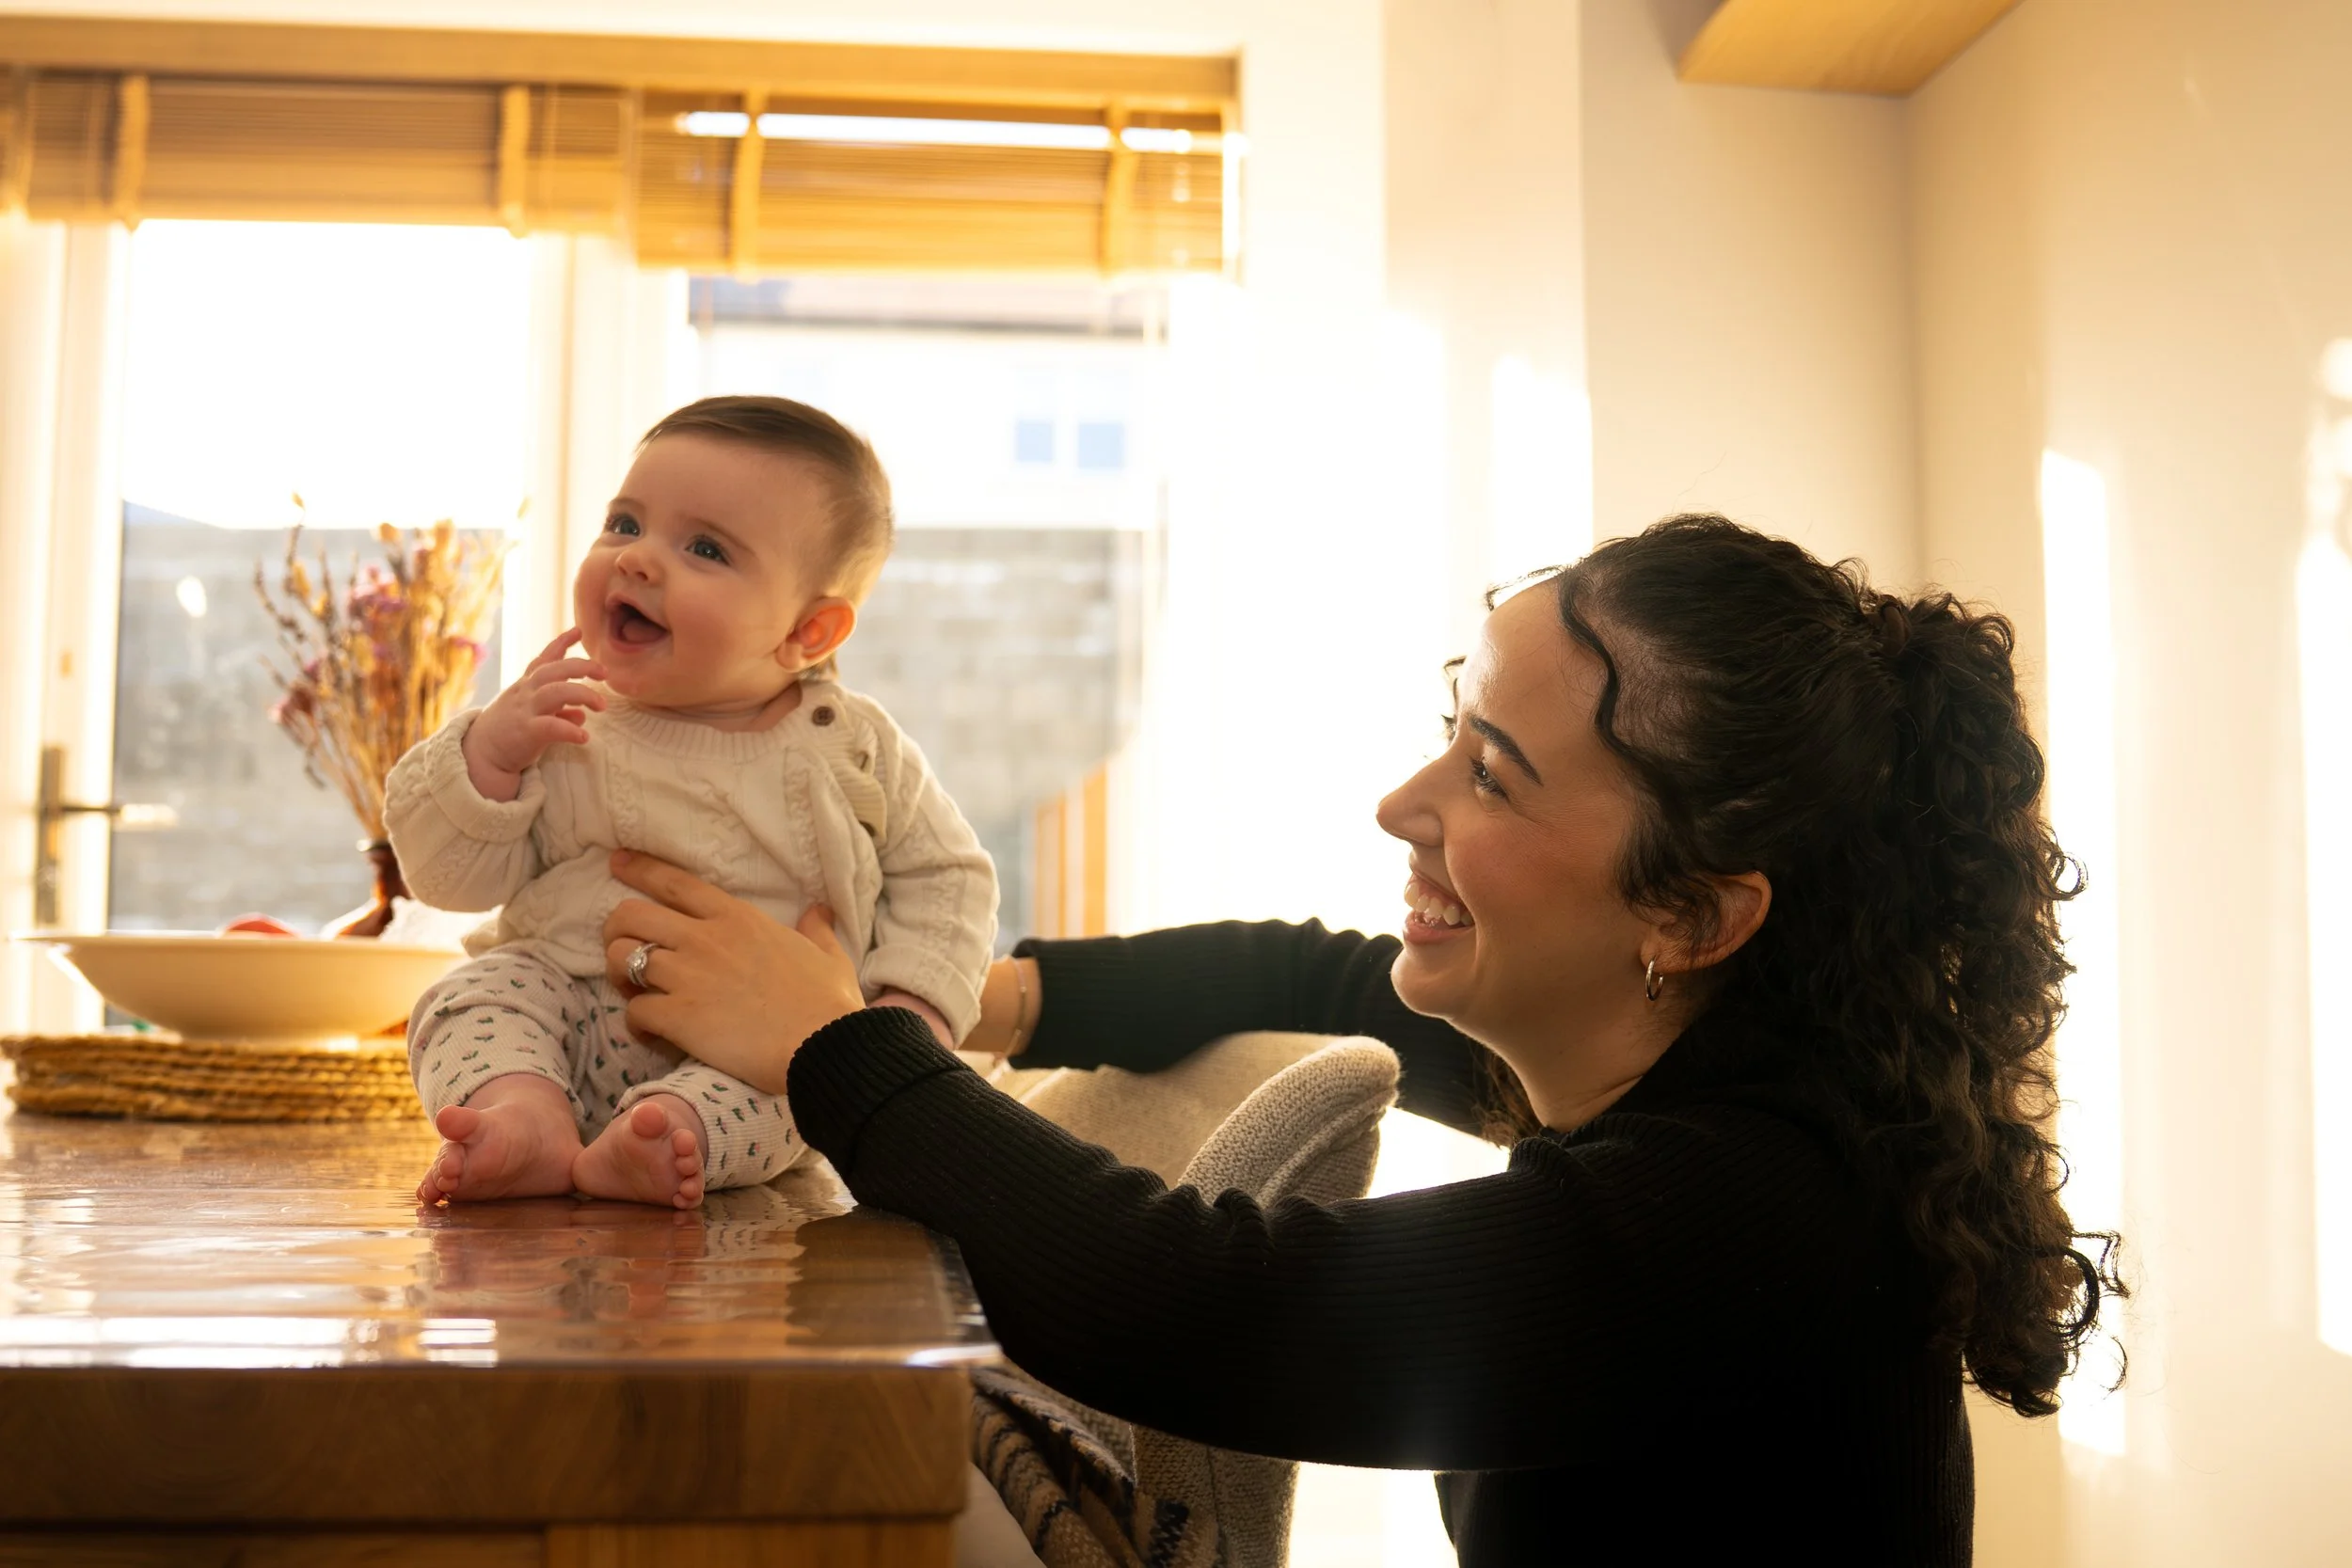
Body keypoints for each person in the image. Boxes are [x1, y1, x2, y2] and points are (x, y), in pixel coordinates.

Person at [596, 515, 2122, 1562]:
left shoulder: (1747, 1209)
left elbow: (1210, 1305)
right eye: (1458, 722)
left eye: (1496, 773)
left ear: (1693, 913)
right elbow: (1318, 975)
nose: (1406, 800)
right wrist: (974, 998)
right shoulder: (1681, 1053)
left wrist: (833, 1049)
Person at [389, 395, 995, 1210]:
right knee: (472, 996)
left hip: (751, 1046)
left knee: (806, 1083)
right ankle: (522, 1114)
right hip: (564, 998)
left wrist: (902, 1019)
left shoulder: (851, 746)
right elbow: (448, 879)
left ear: (808, 633)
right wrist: (489, 755)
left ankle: (668, 1135)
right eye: (625, 524)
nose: (638, 560)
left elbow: (949, 879)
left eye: (705, 547)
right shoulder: (559, 715)